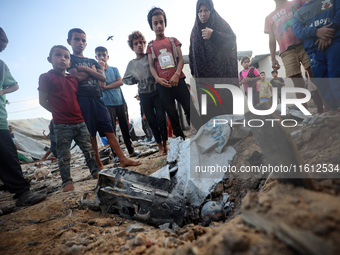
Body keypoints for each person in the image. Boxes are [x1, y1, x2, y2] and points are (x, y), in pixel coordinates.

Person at [66, 28, 140, 170]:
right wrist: (93, 72)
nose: (80, 43)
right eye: (76, 39)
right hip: (83, 99)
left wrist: (87, 70)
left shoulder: (89, 61)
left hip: (98, 98)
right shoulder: (70, 59)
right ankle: (99, 165)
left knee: (109, 129)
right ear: (69, 41)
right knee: (91, 133)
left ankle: (123, 159)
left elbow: (102, 78)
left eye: (83, 40)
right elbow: (77, 77)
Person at [39, 45, 101, 192]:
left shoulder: (72, 79)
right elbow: (43, 101)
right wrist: (58, 113)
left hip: (79, 122)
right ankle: (67, 181)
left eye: (66, 57)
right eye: (58, 55)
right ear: (50, 59)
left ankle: (96, 173)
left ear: (69, 62)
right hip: (61, 124)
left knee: (89, 150)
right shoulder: (46, 77)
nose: (63, 59)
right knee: (64, 155)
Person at [0, 27, 46, 206]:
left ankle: (22, 192)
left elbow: (15, 85)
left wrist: (2, 91)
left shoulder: (1, 66)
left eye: (1, 49)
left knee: (7, 155)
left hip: (0, 119)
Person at [189, 0, 238, 125]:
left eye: (206, 10)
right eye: (200, 11)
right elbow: (191, 53)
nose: (203, 14)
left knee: (225, 107)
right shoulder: (194, 32)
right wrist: (193, 71)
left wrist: (214, 34)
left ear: (211, 10)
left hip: (222, 75)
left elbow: (232, 40)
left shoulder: (220, 24)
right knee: (210, 109)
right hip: (205, 80)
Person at [147, 7, 191, 140]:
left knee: (189, 108)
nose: (159, 26)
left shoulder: (173, 41)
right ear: (151, 26)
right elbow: (151, 66)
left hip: (178, 80)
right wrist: (158, 79)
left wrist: (177, 74)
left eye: (161, 22)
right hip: (163, 85)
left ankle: (200, 133)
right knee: (171, 113)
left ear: (165, 23)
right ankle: (180, 139)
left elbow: (181, 59)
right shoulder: (150, 46)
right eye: (155, 23)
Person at [123, 31, 168, 156]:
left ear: (144, 43)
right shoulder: (132, 64)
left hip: (157, 92)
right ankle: (159, 147)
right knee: (151, 121)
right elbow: (124, 79)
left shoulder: (150, 56)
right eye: (136, 44)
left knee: (161, 118)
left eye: (141, 43)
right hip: (144, 95)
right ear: (132, 47)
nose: (139, 45)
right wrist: (134, 80)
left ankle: (165, 144)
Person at [293, 0, 340, 115]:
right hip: (313, 49)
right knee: (320, 78)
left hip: (334, 42)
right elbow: (297, 30)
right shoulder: (299, 13)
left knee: (335, 71)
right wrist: (316, 31)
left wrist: (328, 32)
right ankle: (333, 108)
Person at [265, 0, 313, 110]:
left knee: (315, 73)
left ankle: (327, 107)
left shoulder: (297, 2)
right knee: (297, 82)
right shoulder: (269, 18)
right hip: (286, 52)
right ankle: (304, 113)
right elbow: (272, 39)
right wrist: (273, 58)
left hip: (305, 44)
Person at [95, 46, 138, 157]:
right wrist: (101, 69)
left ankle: (131, 150)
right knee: (111, 130)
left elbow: (120, 82)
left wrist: (107, 87)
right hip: (107, 104)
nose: (102, 57)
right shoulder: (96, 73)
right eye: (99, 55)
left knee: (125, 127)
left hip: (120, 101)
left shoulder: (114, 69)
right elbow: (101, 85)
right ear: (96, 57)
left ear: (107, 56)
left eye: (104, 54)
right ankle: (117, 155)